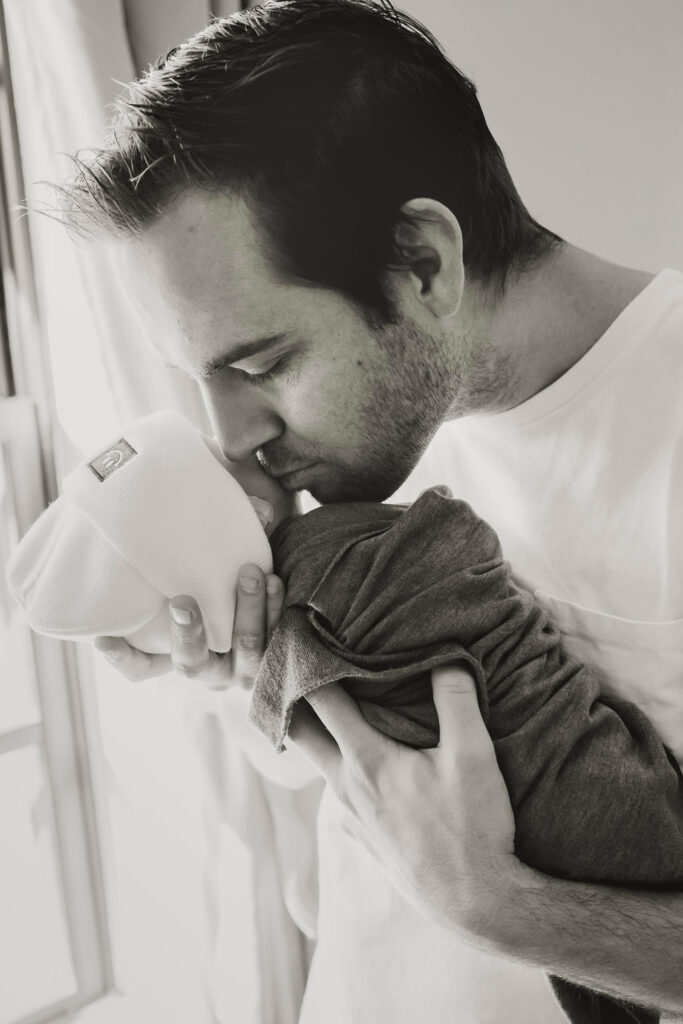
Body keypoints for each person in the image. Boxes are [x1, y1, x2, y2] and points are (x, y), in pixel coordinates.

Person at [57, 0, 683, 1019]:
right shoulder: (355, 466)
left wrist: (509, 910)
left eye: (261, 363)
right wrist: (248, 679)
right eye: (197, 378)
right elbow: (353, 856)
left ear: (421, 263)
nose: (229, 439)